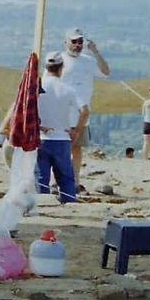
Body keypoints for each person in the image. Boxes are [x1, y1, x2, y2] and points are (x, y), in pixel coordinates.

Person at [60, 28, 109, 184]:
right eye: (73, 41)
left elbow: (106, 72)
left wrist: (96, 52)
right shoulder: (58, 59)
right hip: (61, 113)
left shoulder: (88, 61)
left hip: (81, 114)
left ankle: (75, 180)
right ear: (66, 42)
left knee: (77, 148)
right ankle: (57, 180)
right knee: (60, 148)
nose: (77, 45)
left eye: (80, 41)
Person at [37, 51, 87, 204]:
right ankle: (69, 203)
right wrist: (77, 130)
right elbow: (85, 110)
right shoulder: (67, 89)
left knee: (40, 178)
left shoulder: (37, 87)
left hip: (40, 138)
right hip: (61, 138)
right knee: (65, 177)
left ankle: (42, 206)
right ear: (61, 67)